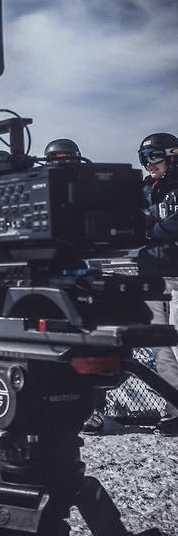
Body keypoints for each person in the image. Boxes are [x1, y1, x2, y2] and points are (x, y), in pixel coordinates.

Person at [135, 132, 178, 436]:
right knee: (160, 348)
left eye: (154, 156)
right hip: (152, 276)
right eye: (144, 158)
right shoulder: (144, 192)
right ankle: (175, 408)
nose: (149, 164)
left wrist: (154, 228)